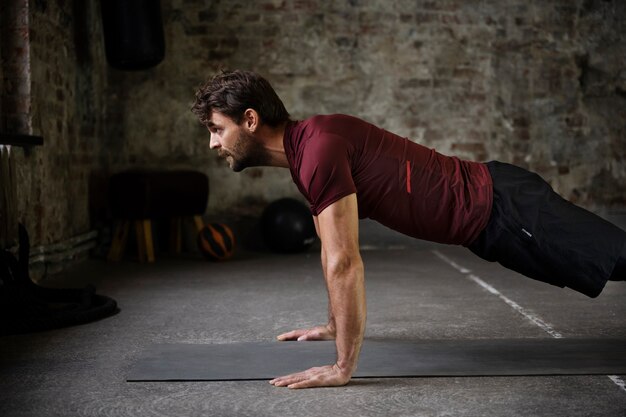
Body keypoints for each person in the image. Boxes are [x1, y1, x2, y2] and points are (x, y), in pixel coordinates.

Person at [191, 69, 626, 389]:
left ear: (250, 120)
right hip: (495, 215)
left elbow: (346, 262)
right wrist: (331, 325)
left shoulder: (317, 151)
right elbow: (329, 248)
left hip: (507, 211)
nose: (213, 143)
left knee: (615, 259)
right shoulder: (309, 148)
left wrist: (342, 366)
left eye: (217, 129)